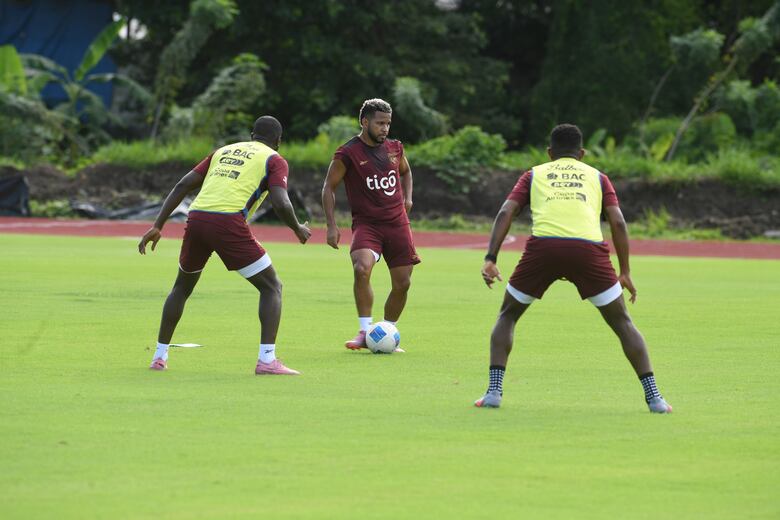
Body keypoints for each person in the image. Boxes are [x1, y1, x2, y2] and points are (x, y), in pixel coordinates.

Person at [475, 124, 672, 413]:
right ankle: (655, 398)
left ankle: (493, 392)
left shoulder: (533, 174)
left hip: (544, 249)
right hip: (588, 251)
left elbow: (507, 211)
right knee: (623, 323)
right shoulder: (598, 177)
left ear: (549, 153)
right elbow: (618, 222)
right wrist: (625, 271)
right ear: (581, 153)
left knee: (508, 316)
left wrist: (491, 257)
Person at [138, 116, 311, 375]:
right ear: (278, 141)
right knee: (272, 286)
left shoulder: (223, 151)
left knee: (181, 288)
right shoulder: (275, 159)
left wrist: (158, 225)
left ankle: (159, 357)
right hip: (228, 222)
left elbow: (183, 184)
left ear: (252, 135)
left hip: (196, 218)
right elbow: (281, 202)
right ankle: (267, 360)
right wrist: (297, 228)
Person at [322, 98, 420, 351]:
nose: (385, 128)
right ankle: (365, 331)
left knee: (403, 283)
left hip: (397, 224)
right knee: (361, 268)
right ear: (365, 122)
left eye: (388, 123)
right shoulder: (347, 153)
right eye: (380, 123)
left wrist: (408, 198)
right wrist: (331, 225)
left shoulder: (395, 148)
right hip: (367, 225)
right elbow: (328, 187)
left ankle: (386, 332)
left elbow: (406, 172)